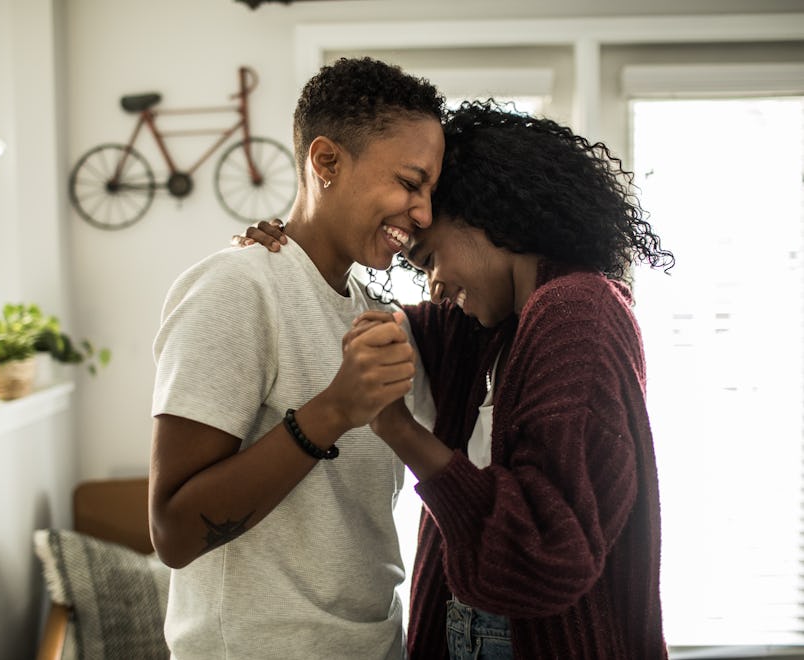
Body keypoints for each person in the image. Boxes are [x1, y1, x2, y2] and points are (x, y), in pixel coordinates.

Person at [241, 100, 674, 660]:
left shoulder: (578, 313)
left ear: (486, 215)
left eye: (429, 259)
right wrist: (292, 251)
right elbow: (370, 322)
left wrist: (398, 429)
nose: (434, 287)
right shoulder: (487, 329)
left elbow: (547, 551)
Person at [149, 56, 444, 660]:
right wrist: (332, 410)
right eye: (411, 183)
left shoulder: (380, 316)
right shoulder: (236, 287)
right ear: (326, 161)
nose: (424, 213)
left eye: (432, 192)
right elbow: (173, 534)